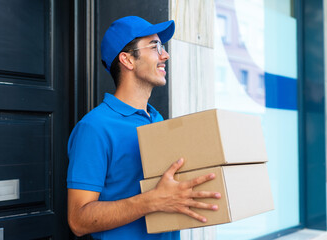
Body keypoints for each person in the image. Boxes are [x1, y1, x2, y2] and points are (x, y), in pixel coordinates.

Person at [67, 16, 221, 240]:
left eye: (163, 47)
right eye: (155, 46)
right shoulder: (94, 127)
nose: (165, 55)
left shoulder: (157, 120)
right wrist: (151, 200)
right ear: (127, 60)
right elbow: (78, 221)